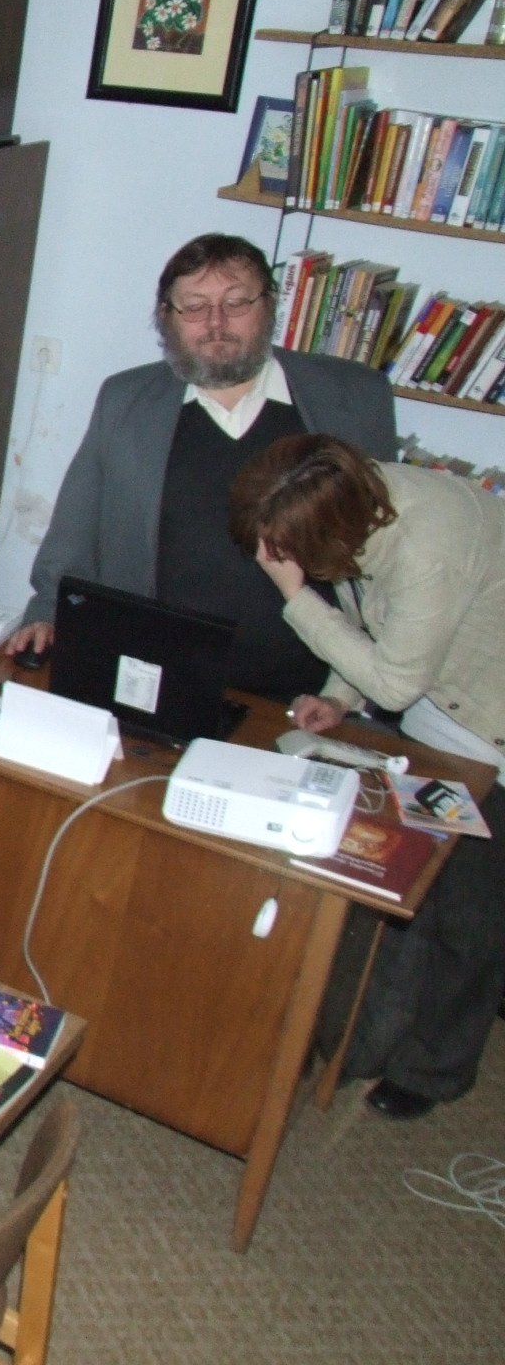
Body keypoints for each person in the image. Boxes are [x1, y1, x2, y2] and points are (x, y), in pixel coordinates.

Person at [229, 433, 505, 1120]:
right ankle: (370, 1041)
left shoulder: (428, 545)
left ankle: (435, 1070)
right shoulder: (355, 500)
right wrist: (339, 697)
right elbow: (372, 620)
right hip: (440, 713)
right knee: (408, 892)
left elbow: (397, 679)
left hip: (490, 729)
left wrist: (295, 595)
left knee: (470, 917)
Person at [9, 232, 396, 698]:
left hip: (304, 683)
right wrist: (47, 610)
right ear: (165, 317)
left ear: (270, 306)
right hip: (156, 673)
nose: (216, 323)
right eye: (194, 307)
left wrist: (345, 692)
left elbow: (387, 547)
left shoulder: (354, 398)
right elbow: (77, 525)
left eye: (236, 303)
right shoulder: (127, 400)